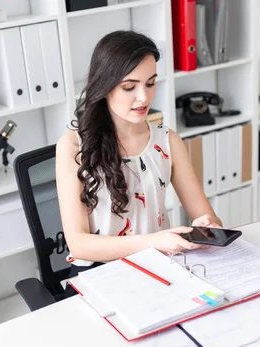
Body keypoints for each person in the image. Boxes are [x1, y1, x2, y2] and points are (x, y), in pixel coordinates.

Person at [56, 31, 222, 291]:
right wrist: (152, 242)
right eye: (129, 87)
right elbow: (79, 243)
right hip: (99, 274)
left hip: (158, 267)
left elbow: (206, 215)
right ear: (105, 86)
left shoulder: (168, 141)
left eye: (151, 83)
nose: (144, 98)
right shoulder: (73, 146)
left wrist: (207, 225)